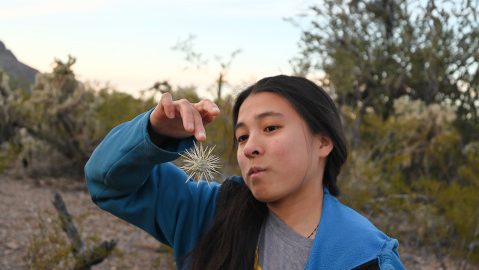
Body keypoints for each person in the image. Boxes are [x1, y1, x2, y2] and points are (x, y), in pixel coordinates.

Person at [85, 75, 405, 270]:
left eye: (270, 127)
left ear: (322, 142)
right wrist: (154, 132)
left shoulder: (366, 258)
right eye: (242, 136)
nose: (250, 146)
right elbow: (108, 182)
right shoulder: (209, 213)